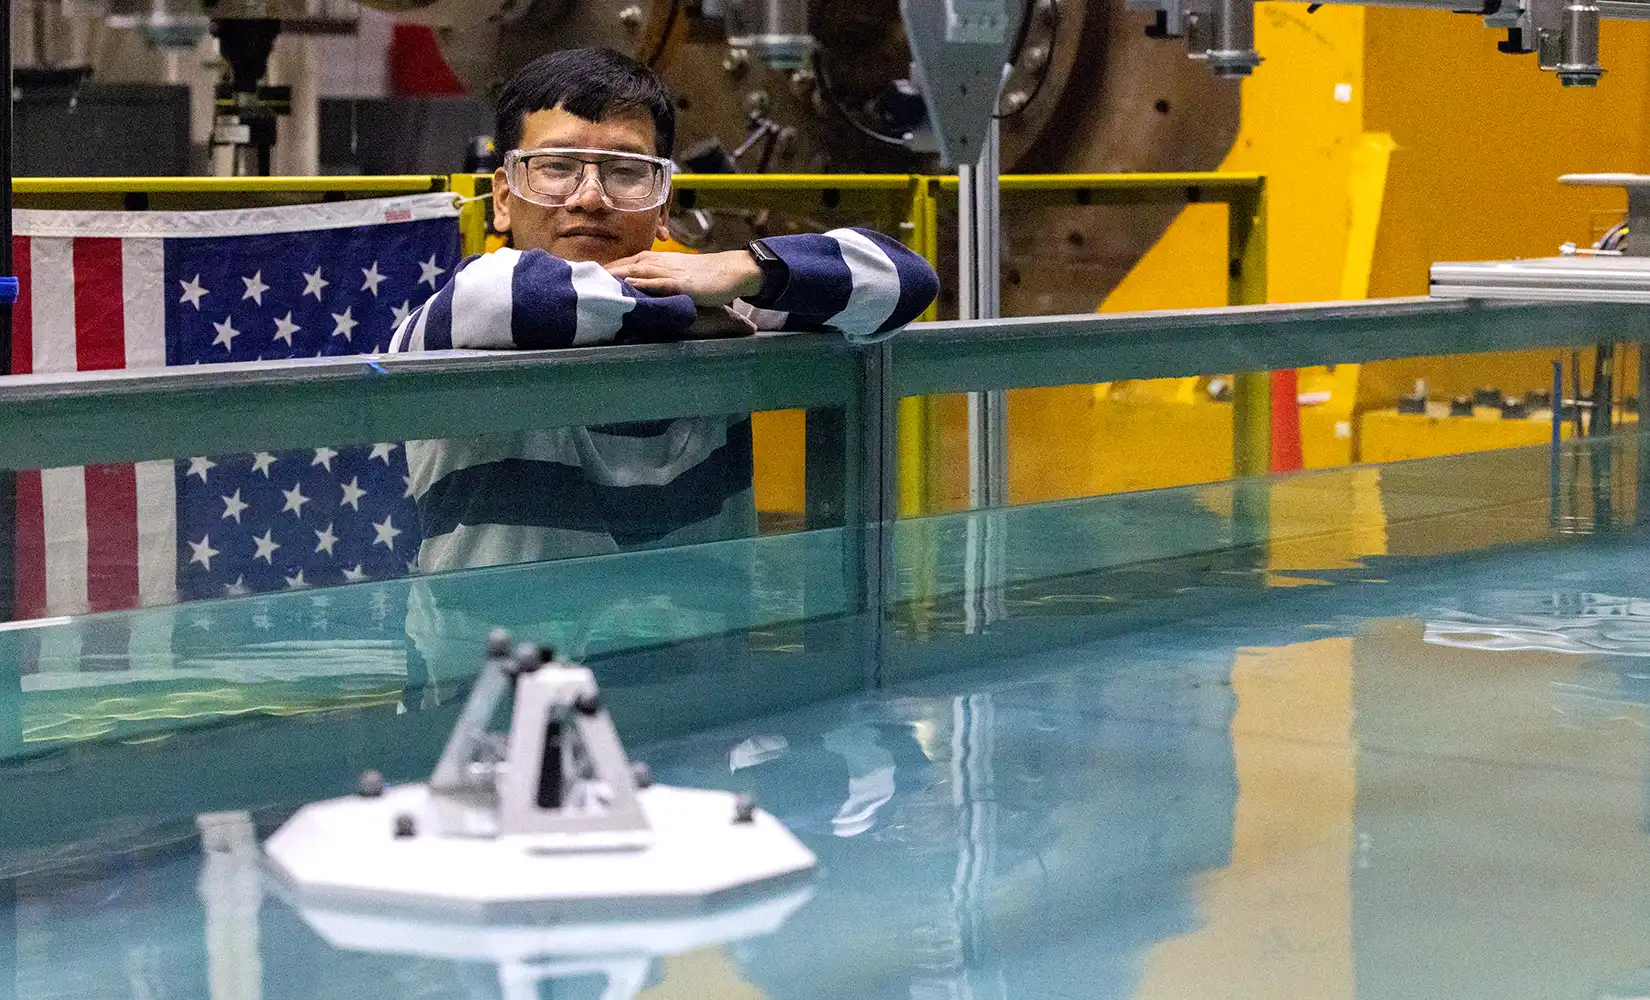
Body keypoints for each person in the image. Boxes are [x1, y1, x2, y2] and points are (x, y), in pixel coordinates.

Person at [389, 47, 939, 574]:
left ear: (664, 205)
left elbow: (905, 280)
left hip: (693, 664)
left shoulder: (721, 293)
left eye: (625, 171)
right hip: (501, 668)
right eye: (556, 167)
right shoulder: (470, 306)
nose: (591, 196)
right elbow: (513, 299)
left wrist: (749, 268)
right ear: (504, 198)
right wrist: (694, 313)